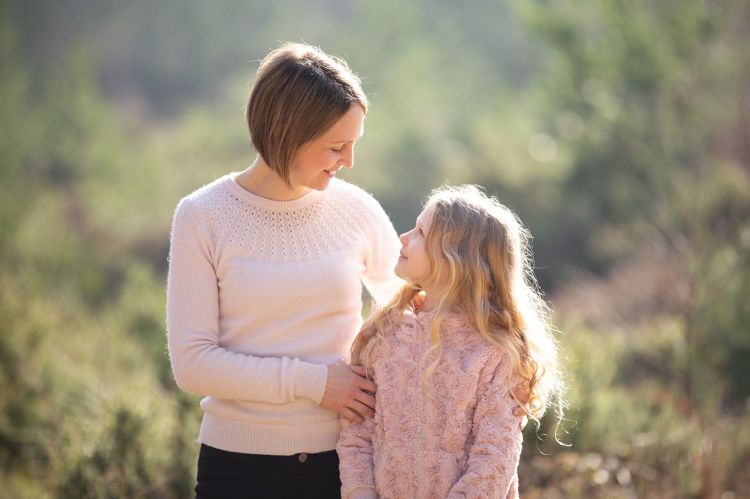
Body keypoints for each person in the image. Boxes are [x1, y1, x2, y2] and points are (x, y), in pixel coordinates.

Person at [166, 42, 404, 498]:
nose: (349, 162)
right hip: (235, 470)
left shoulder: (357, 210)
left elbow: (415, 311)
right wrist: (316, 384)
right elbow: (193, 364)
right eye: (336, 147)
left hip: (346, 464)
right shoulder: (202, 215)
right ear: (287, 134)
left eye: (353, 145)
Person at [337, 184, 565, 498]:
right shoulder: (384, 334)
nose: (403, 238)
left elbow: (493, 462)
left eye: (420, 232)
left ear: (455, 259)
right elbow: (356, 438)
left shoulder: (496, 353)